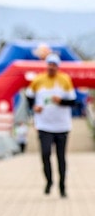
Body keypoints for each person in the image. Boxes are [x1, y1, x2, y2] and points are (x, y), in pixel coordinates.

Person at [26, 53, 76, 197]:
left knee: (61, 157)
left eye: (54, 65)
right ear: (46, 65)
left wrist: (61, 101)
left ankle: (62, 186)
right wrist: (34, 106)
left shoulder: (65, 80)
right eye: (49, 64)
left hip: (62, 125)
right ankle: (49, 181)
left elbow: (73, 102)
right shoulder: (38, 80)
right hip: (44, 125)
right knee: (46, 154)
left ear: (58, 66)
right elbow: (29, 97)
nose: (51, 67)